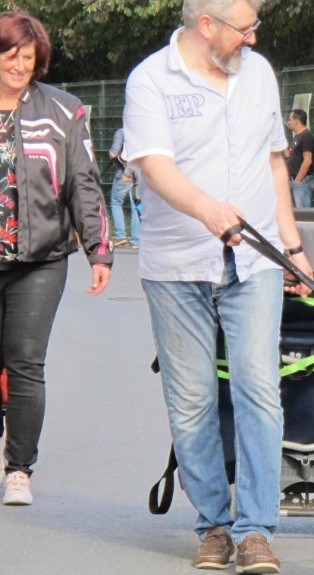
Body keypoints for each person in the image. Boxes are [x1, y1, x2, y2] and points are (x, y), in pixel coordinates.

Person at [123, 1, 313, 572]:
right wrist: (209, 211)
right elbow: (155, 166)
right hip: (176, 263)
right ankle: (212, 524)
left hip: (252, 264)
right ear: (207, 26)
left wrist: (292, 245)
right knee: (193, 401)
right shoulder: (151, 79)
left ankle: (256, 528)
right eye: (244, 29)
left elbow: (275, 163)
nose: (252, 41)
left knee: (259, 389)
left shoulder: (259, 74)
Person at [0, 11, 112, 506]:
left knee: (25, 362)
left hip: (40, 259)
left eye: (28, 56)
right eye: (10, 54)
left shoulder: (63, 111)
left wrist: (99, 248)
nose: (19, 64)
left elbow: (83, 184)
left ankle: (19, 468)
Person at [108, 127, 141, 248]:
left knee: (116, 202)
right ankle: (136, 240)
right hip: (138, 174)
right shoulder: (140, 132)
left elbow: (113, 153)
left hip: (123, 174)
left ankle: (121, 236)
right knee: (135, 207)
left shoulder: (121, 132)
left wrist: (111, 154)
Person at [284, 108, 314, 208]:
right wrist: (289, 154)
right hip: (293, 182)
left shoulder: (306, 136)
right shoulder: (297, 137)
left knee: (303, 215)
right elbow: (298, 155)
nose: (289, 122)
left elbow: (308, 160)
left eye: (290, 119)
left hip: (301, 183)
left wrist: (297, 180)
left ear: (296, 121)